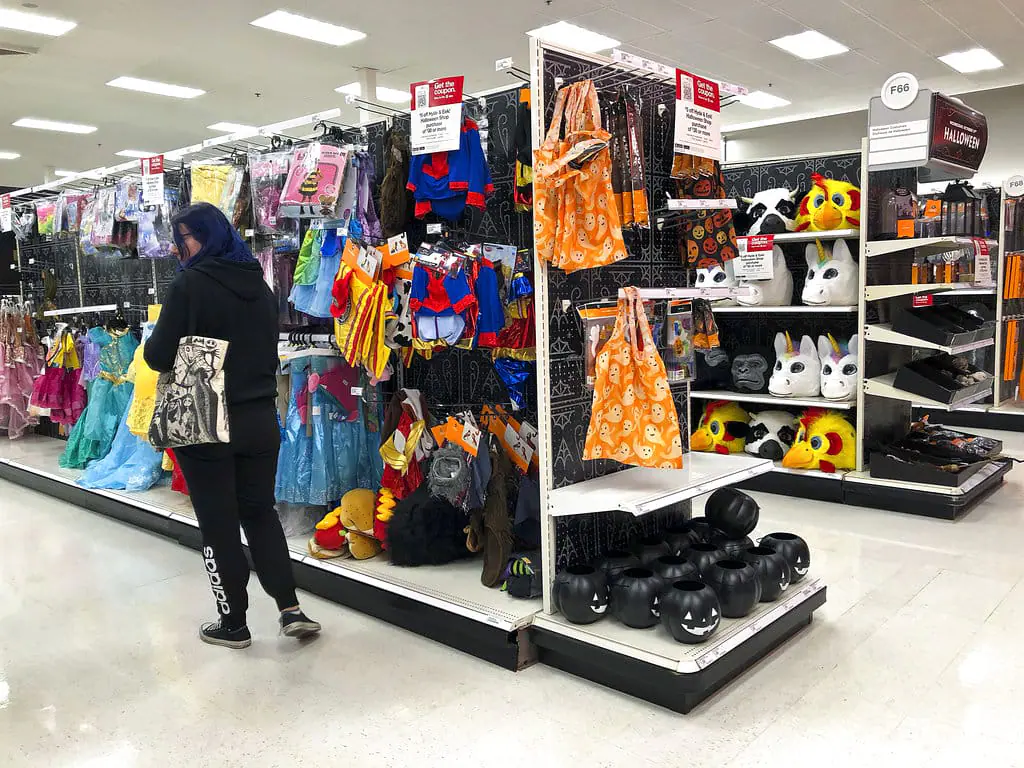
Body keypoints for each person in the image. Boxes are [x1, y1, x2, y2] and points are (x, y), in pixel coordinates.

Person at [144, 202, 320, 649]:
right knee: (260, 514)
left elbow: (158, 356)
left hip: (206, 422)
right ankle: (290, 608)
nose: (177, 249)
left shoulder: (190, 286)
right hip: (260, 418)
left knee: (218, 525)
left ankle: (234, 623)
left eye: (182, 239)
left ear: (203, 237)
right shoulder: (261, 288)